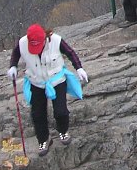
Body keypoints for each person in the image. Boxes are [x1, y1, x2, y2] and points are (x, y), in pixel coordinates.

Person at [7, 24, 88, 156]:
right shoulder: (22, 43)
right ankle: (43, 139)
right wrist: (13, 66)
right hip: (36, 81)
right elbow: (16, 53)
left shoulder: (56, 40)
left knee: (61, 111)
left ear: (45, 38)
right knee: (37, 115)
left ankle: (63, 131)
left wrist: (79, 68)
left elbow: (70, 52)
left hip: (57, 80)